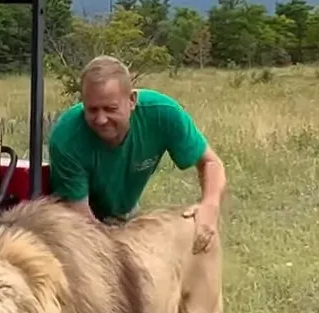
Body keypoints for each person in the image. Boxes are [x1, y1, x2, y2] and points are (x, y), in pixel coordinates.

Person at [48, 55, 226, 253]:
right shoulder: (67, 137)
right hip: (78, 219)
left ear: (132, 100)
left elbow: (211, 163)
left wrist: (210, 206)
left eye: (110, 109)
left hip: (125, 210)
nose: (101, 119)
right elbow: (82, 222)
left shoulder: (163, 114)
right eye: (92, 109)